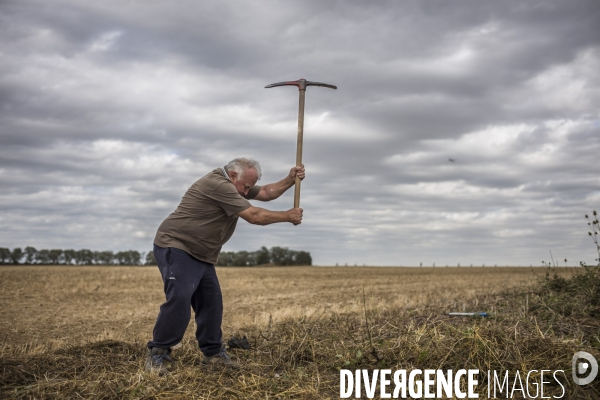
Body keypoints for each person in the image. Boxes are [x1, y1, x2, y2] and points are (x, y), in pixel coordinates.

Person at [146, 157, 304, 375]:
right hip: (177, 245)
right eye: (245, 187)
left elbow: (267, 192)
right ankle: (158, 353)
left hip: (203, 253)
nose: (246, 192)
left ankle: (212, 354)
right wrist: (287, 216)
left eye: (249, 187)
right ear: (232, 176)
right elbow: (254, 216)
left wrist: (290, 179)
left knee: (211, 302)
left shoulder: (235, 185)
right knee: (180, 297)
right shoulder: (218, 185)